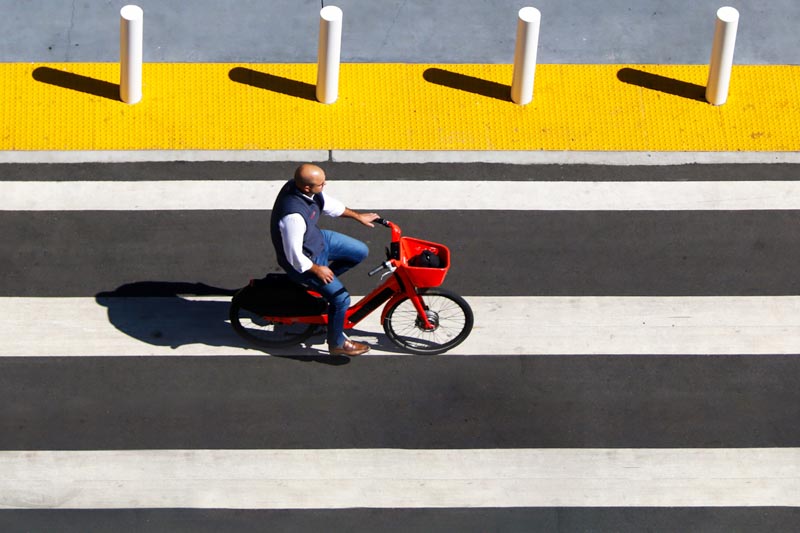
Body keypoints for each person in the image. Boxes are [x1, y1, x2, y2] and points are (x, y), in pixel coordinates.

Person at [270, 164, 380, 356]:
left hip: (318, 240)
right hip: (305, 262)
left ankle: (319, 289)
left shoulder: (306, 190)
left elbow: (330, 205)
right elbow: (294, 257)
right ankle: (337, 343)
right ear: (306, 187)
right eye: (321, 184)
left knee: (360, 251)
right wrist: (318, 269)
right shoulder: (293, 217)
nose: (325, 185)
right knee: (341, 299)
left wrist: (358, 217)